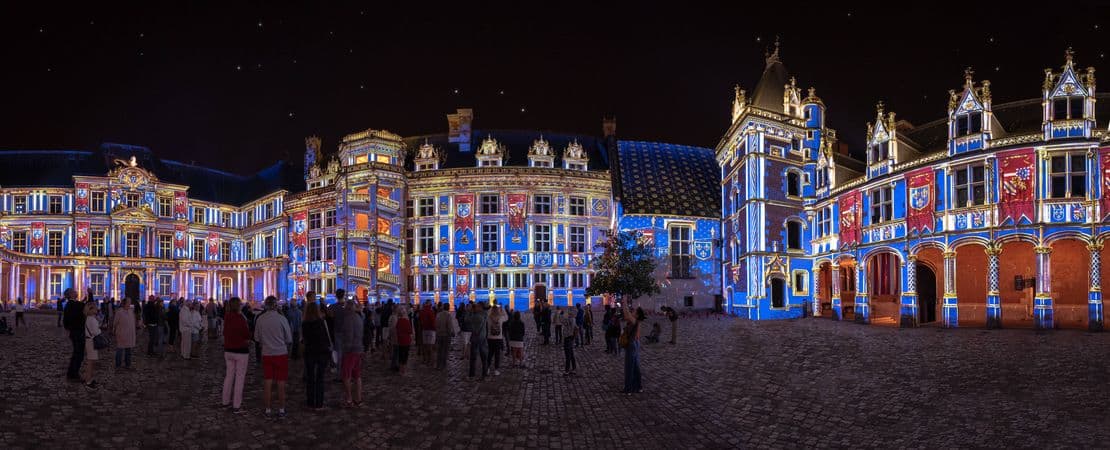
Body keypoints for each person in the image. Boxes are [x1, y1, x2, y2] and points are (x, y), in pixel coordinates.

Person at [255, 296, 293, 418]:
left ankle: (268, 409)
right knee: (281, 382)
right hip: (280, 353)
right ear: (276, 305)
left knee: (268, 382)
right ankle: (281, 409)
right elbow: (289, 338)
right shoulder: (282, 319)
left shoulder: (260, 319)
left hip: (267, 353)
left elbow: (256, 338)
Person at [221, 297, 250, 414]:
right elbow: (246, 333)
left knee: (228, 377)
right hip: (241, 351)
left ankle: (225, 401)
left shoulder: (227, 317)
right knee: (239, 378)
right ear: (238, 306)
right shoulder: (240, 318)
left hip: (228, 350)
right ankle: (236, 405)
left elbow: (224, 332)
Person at [301, 301, 330, 411]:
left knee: (310, 378)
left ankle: (310, 402)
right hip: (322, 352)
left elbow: (304, 339)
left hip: (310, 352)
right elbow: (326, 337)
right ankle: (319, 403)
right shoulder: (321, 322)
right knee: (320, 378)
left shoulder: (305, 324)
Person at [338, 300, 365, 406]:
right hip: (358, 348)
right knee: (357, 375)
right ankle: (358, 398)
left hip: (350, 350)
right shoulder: (359, 317)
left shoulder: (349, 319)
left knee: (347, 375)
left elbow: (349, 336)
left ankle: (349, 398)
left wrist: (346, 349)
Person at [63, 288, 88, 382]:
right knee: (79, 354)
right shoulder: (75, 305)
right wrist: (90, 294)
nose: (77, 292)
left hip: (74, 332)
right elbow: (88, 307)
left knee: (76, 353)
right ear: (71, 294)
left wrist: (70, 329)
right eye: (74, 291)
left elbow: (65, 322)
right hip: (78, 332)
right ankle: (74, 374)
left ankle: (71, 372)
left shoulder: (69, 305)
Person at [620, 305, 644, 394]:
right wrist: (624, 304)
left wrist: (625, 303)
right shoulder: (635, 320)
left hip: (631, 345)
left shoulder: (634, 321)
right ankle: (638, 387)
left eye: (635, 311)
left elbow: (627, 315)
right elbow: (627, 315)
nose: (632, 311)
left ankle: (628, 389)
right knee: (635, 367)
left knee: (629, 367)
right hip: (635, 344)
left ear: (637, 315)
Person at [465, 303, 489, 380]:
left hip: (476, 338)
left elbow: (466, 320)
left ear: (479, 308)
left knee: (473, 358)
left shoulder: (476, 316)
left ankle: (472, 375)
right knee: (484, 357)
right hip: (483, 337)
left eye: (476, 307)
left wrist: (469, 311)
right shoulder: (485, 315)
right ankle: (484, 374)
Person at [112, 298, 137, 370]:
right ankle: (118, 365)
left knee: (128, 350)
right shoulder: (119, 312)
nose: (130, 303)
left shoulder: (131, 311)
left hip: (130, 334)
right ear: (125, 303)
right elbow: (115, 322)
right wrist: (114, 330)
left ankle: (128, 364)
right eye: (129, 302)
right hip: (121, 333)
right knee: (120, 350)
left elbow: (132, 321)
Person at [82, 301, 101, 391]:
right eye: (95, 307)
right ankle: (88, 381)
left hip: (88, 340)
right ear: (91, 309)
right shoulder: (92, 320)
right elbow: (96, 332)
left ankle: (89, 379)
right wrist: (100, 329)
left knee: (90, 361)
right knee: (90, 362)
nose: (97, 309)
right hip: (91, 341)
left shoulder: (88, 318)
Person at [434, 303, 457, 370]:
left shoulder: (438, 314)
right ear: (449, 307)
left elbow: (436, 324)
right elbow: (449, 325)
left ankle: (438, 364)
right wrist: (452, 333)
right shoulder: (448, 315)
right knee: (445, 351)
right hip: (446, 335)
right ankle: (443, 365)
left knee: (439, 350)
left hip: (439, 334)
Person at [392, 305, 414, 376]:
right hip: (406, 341)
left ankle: (401, 370)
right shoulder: (406, 322)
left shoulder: (398, 322)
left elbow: (396, 331)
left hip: (400, 340)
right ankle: (404, 370)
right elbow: (410, 331)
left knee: (401, 355)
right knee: (405, 355)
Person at [486, 305, 506, 376]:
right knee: (497, 355)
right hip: (498, 338)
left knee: (490, 354)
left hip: (490, 338)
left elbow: (487, 314)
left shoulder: (488, 318)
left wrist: (491, 308)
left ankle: (487, 368)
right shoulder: (500, 318)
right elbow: (506, 317)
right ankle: (496, 370)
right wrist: (502, 308)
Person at [418, 302, 436, 367]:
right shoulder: (431, 311)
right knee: (430, 346)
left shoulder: (421, 311)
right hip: (431, 330)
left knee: (425, 346)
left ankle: (425, 360)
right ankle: (430, 360)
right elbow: (433, 321)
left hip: (424, 330)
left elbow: (419, 321)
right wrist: (435, 328)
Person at [562, 306, 578, 376]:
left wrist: (562, 314)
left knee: (568, 355)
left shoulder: (569, 320)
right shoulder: (574, 319)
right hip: (571, 337)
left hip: (567, 338)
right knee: (571, 354)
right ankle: (574, 368)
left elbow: (562, 321)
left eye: (569, 312)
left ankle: (567, 370)